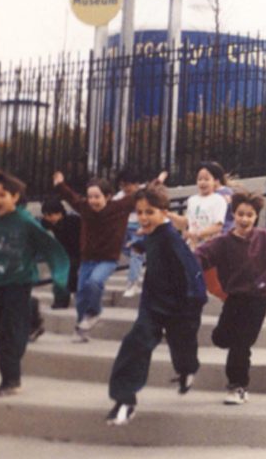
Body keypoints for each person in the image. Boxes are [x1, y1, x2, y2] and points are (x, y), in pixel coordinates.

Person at [106, 186, 207, 426]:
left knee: (182, 348)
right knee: (136, 342)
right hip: (153, 303)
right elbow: (152, 245)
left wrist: (191, 309)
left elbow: (190, 274)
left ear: (164, 212)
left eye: (149, 212)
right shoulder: (153, 234)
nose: (142, 217)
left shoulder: (172, 239)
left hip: (182, 305)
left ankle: (186, 371)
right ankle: (125, 400)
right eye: (139, 212)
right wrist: (141, 246)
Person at [0, 170, 69, 396]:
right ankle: (31, 315)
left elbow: (52, 250)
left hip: (19, 282)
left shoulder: (26, 222)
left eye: (2, 195)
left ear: (15, 197)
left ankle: (11, 380)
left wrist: (60, 279)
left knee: (8, 333)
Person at [196, 190, 266, 405]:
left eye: (249, 215)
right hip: (235, 298)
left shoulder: (265, 237)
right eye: (240, 214)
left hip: (258, 299)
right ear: (234, 214)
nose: (244, 219)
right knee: (221, 338)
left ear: (256, 217)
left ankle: (237, 387)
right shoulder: (223, 242)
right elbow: (200, 256)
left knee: (241, 344)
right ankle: (226, 344)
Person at [53, 171, 137, 342]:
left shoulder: (119, 207)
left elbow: (140, 195)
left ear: (108, 196)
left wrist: (159, 181)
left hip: (108, 259)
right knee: (82, 293)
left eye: (97, 197)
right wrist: (60, 184)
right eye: (90, 197)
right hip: (87, 259)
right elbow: (71, 198)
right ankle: (81, 329)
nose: (93, 201)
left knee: (95, 282)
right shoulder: (85, 207)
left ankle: (95, 311)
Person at [169, 162, 229, 250]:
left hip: (210, 247)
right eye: (199, 179)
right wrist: (170, 215)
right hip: (192, 246)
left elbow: (218, 226)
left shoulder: (219, 200)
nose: (202, 182)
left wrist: (198, 234)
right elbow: (187, 221)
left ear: (215, 181)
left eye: (206, 179)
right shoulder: (192, 200)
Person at [111, 167, 147, 299]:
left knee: (135, 252)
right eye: (122, 185)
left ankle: (132, 283)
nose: (125, 188)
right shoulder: (120, 196)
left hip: (140, 227)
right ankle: (140, 260)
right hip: (124, 228)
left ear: (136, 184)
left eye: (128, 185)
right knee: (128, 250)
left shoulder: (144, 193)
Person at [39, 197, 82, 310]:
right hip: (64, 254)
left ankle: (68, 297)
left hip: (78, 252)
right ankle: (61, 300)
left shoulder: (73, 221)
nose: (49, 218)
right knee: (61, 275)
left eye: (51, 215)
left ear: (60, 213)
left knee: (68, 273)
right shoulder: (48, 222)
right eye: (46, 216)